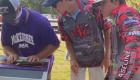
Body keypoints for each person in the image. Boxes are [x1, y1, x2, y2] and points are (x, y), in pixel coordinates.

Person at [43, 0, 110, 80]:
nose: (54, 9)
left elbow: (107, 29)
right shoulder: (61, 20)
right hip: (77, 62)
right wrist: (73, 59)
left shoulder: (92, 8)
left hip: (98, 60)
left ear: (64, 1)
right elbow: (67, 40)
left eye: (54, 5)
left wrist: (107, 56)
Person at [0, 0, 60, 80]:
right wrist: (11, 53)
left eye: (11, 15)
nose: (9, 20)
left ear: (18, 8)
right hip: (19, 64)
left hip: (42, 62)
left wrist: (38, 56)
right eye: (5, 15)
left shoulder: (39, 21)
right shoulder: (6, 23)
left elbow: (54, 44)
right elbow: (6, 45)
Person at [101, 0, 140, 80]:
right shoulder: (117, 17)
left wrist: (122, 76)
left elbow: (135, 45)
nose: (100, 7)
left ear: (115, 2)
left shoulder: (127, 13)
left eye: (103, 3)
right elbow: (117, 53)